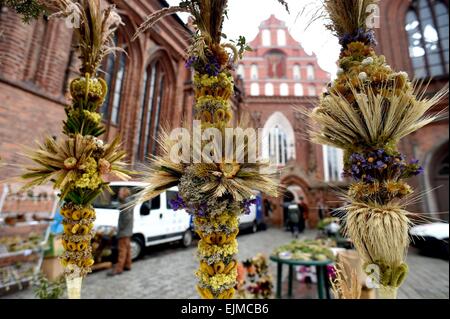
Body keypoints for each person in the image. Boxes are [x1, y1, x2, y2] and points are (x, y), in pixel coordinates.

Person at [108, 187, 133, 276]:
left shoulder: (126, 203)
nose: (118, 193)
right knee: (127, 249)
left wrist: (120, 228)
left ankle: (119, 269)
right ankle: (128, 265)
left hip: (124, 231)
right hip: (128, 230)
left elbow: (127, 217)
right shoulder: (128, 201)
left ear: (125, 193)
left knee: (122, 250)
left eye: (120, 192)